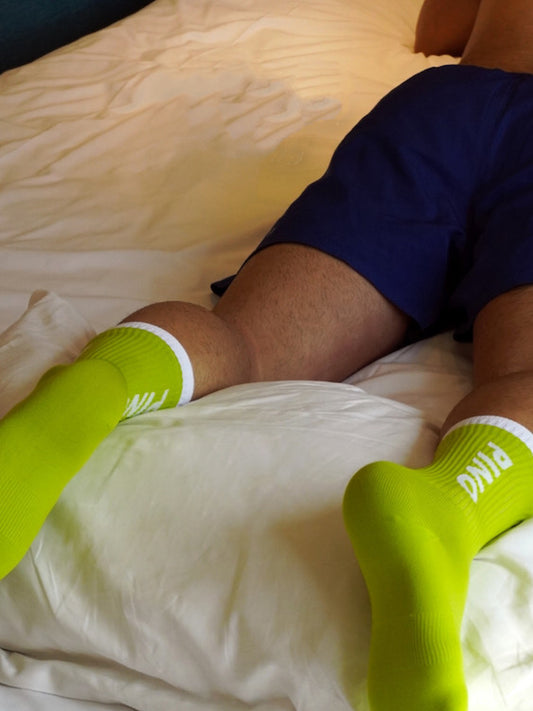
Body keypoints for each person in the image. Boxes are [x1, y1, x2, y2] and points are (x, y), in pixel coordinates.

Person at [2, 0, 533, 708]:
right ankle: (446, 506)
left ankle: (96, 388)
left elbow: (435, 32)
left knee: (245, 344)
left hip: (443, 110)